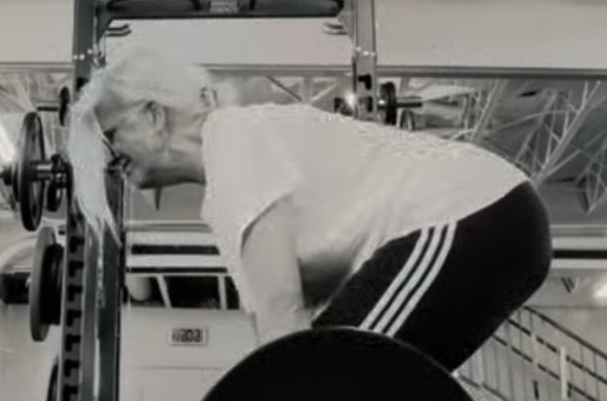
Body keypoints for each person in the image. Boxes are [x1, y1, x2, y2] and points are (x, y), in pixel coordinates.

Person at [68, 49, 552, 371]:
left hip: (472, 214)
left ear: (153, 115)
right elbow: (280, 329)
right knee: (345, 396)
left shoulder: (231, 140)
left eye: (110, 137)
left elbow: (282, 318)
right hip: (490, 220)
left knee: (328, 390)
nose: (110, 159)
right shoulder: (228, 174)